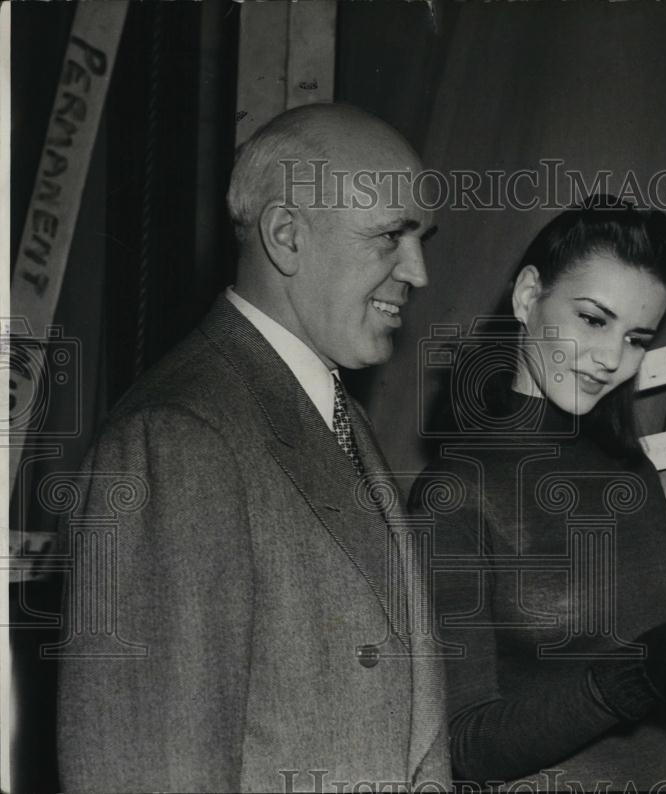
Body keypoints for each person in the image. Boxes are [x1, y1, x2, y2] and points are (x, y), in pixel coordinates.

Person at [56, 104, 450, 792]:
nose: (417, 272)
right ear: (288, 237)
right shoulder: (177, 439)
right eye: (391, 236)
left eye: (421, 238)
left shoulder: (336, 412)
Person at [409, 197, 666, 790]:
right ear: (529, 296)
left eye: (637, 337)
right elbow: (461, 747)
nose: (612, 358)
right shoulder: (453, 494)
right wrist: (637, 678)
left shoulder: (628, 468)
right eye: (592, 319)